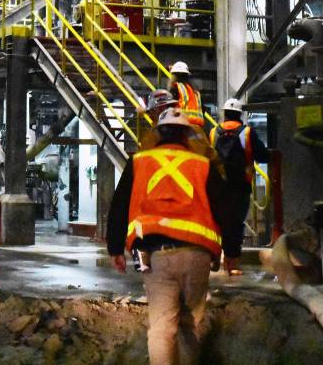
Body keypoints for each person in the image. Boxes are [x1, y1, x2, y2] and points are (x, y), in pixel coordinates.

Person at [107, 107, 232, 364]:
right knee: (191, 324)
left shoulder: (140, 161)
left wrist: (115, 248)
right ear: (188, 135)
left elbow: (119, 205)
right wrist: (232, 253)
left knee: (162, 328)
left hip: (155, 256)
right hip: (197, 254)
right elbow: (225, 209)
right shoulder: (202, 164)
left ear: (157, 133)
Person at [209, 98, 270, 276]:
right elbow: (263, 156)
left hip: (217, 187)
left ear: (224, 113)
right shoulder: (247, 133)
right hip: (239, 187)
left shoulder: (213, 132)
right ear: (240, 114)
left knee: (216, 224)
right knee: (235, 225)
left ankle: (214, 259)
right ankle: (232, 264)